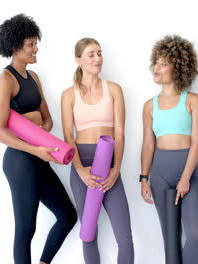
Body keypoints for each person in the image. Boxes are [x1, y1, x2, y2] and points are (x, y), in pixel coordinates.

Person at [0, 14, 77, 264]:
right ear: (16, 46)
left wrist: (36, 124)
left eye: (35, 43)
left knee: (67, 216)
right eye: (31, 44)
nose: (36, 48)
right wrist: (33, 145)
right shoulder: (5, 80)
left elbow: (47, 119)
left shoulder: (34, 78)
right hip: (20, 161)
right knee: (26, 229)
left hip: (40, 156)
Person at [61, 38, 134, 264]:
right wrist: (81, 170)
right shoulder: (68, 95)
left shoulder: (113, 89)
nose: (98, 59)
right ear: (79, 60)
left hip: (109, 165)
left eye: (99, 53)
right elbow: (68, 137)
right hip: (81, 163)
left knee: (125, 237)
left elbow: (120, 133)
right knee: (88, 234)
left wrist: (115, 170)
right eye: (91, 54)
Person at [139, 35, 198, 264]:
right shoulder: (149, 106)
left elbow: (197, 142)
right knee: (171, 242)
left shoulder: (193, 101)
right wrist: (144, 178)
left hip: (188, 172)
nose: (156, 68)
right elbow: (148, 144)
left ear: (177, 68)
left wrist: (186, 177)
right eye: (156, 62)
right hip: (159, 175)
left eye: (163, 63)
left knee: (197, 234)